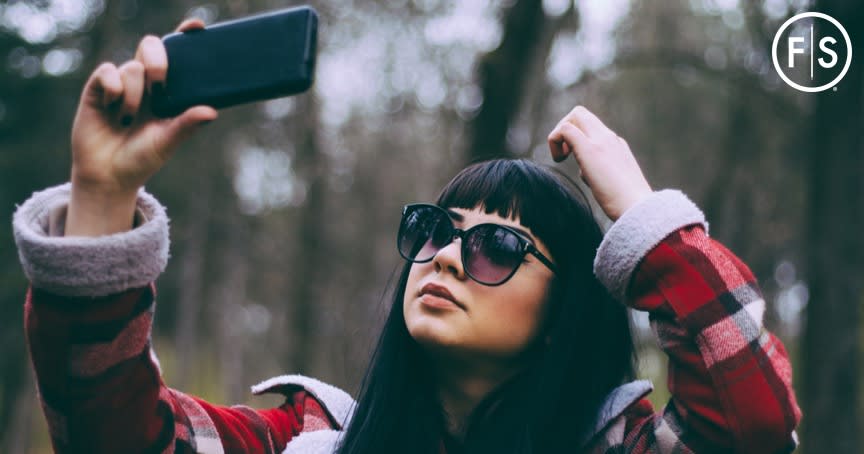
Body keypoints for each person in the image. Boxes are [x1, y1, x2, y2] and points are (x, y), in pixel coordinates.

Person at [12, 19, 801, 454]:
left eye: (498, 247)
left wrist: (640, 214)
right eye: (435, 230)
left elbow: (752, 425)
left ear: (563, 311)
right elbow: (115, 437)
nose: (448, 256)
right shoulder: (307, 446)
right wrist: (102, 197)